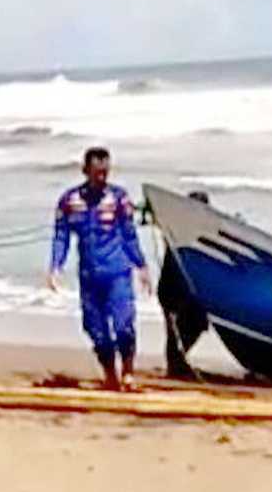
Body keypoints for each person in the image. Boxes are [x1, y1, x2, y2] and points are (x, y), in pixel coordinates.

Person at [48, 147, 152, 390]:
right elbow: (61, 236)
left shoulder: (118, 198)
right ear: (86, 171)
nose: (102, 178)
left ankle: (128, 371)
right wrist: (55, 266)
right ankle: (110, 376)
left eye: (105, 172)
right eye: (97, 173)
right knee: (96, 329)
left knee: (124, 324)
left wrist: (141, 265)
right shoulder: (69, 201)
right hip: (89, 275)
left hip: (117, 272)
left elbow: (129, 235)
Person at [158, 192, 210, 380]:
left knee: (197, 323)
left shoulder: (201, 230)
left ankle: (177, 362)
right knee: (175, 330)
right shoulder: (178, 228)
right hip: (172, 286)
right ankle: (175, 364)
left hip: (188, 288)